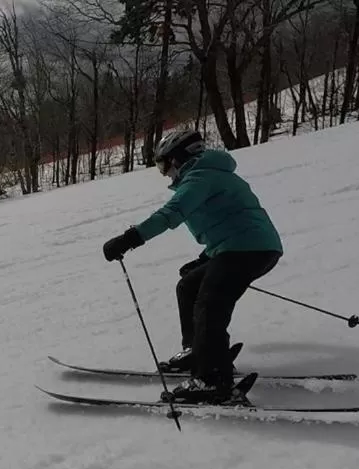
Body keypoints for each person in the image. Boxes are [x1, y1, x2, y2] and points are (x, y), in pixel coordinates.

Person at [101, 130, 283, 404]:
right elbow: (228, 219)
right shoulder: (210, 174)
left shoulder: (200, 177)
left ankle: (213, 381)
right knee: (189, 286)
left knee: (209, 305)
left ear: (177, 159)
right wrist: (208, 257)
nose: (164, 173)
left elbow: (171, 213)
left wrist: (129, 239)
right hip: (241, 247)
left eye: (163, 165)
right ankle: (198, 351)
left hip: (247, 249)